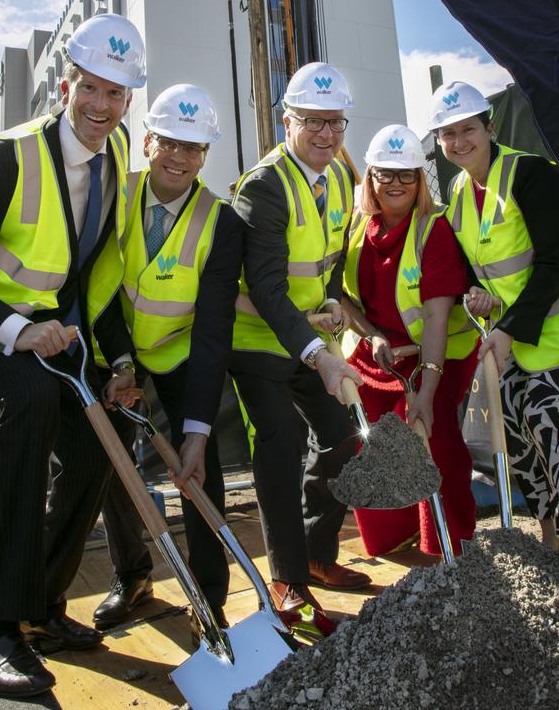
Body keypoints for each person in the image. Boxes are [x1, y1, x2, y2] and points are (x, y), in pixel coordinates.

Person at [0, 14, 146, 699]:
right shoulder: (5, 155)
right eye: (91, 88)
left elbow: (91, 277)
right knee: (30, 406)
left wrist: (117, 360)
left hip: (58, 331)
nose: (100, 105)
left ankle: (43, 606)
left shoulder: (114, 162)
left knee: (101, 439)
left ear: (127, 103)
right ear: (67, 85)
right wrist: (11, 330)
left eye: (116, 95)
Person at [93, 84, 243, 640]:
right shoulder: (113, 195)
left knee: (202, 469)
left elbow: (212, 334)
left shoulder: (222, 223)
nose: (180, 158)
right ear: (149, 140)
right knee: (108, 459)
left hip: (182, 353)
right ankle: (132, 578)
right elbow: (99, 290)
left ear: (206, 155)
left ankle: (211, 604)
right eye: (170, 143)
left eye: (195, 148)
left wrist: (198, 432)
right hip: (116, 350)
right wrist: (120, 364)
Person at [229, 62, 371, 626]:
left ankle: (315, 554)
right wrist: (320, 355)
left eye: (335, 122)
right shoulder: (264, 186)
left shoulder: (339, 177)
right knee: (280, 445)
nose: (326, 134)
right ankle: (286, 579)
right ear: (287, 122)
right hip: (260, 342)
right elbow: (264, 287)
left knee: (339, 439)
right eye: (312, 122)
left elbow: (328, 261)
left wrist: (334, 301)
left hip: (310, 334)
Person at [430, 80, 559, 566]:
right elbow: (489, 272)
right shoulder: (458, 192)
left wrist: (507, 327)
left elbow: (555, 261)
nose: (459, 142)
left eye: (468, 129)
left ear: (490, 127)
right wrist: (481, 297)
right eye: (447, 133)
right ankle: (546, 538)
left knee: (544, 417)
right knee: (514, 430)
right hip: (521, 334)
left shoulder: (531, 173)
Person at [341, 124, 479, 557]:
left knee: (431, 434)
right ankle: (392, 538)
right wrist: (374, 335)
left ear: (421, 180)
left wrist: (428, 386)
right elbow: (340, 297)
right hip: (376, 352)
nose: (396, 183)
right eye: (386, 173)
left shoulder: (432, 228)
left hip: (434, 355)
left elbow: (437, 317)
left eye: (407, 174)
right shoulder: (356, 225)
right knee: (371, 441)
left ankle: (451, 543)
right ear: (371, 177)